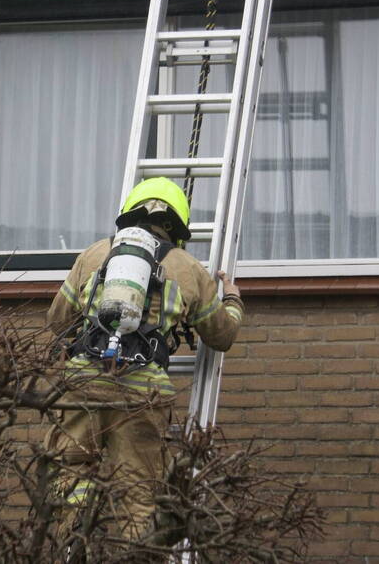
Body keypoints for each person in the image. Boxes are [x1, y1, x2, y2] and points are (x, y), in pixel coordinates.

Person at [45, 177, 244, 545]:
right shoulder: (189, 269)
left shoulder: (93, 255)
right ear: (177, 225)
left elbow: (57, 322)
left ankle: (72, 546)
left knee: (71, 479)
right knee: (138, 495)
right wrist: (232, 299)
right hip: (142, 392)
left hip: (82, 383)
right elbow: (222, 336)